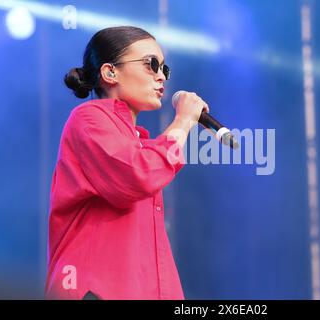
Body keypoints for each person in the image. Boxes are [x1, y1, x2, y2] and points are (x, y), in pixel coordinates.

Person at [45, 26, 209, 300]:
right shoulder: (88, 119)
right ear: (110, 72)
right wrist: (182, 122)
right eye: (151, 64)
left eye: (164, 69)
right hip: (92, 290)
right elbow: (139, 173)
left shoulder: (139, 144)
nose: (160, 76)